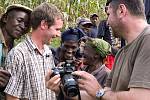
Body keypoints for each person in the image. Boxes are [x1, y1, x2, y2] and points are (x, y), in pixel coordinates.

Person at [72, 0, 150, 100]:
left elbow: (141, 97)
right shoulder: (121, 53)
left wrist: (98, 92)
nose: (107, 22)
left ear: (121, 11)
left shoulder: (147, 40)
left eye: (108, 14)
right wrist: (63, 89)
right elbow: (105, 95)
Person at [4, 3, 63, 100]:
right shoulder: (19, 54)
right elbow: (12, 97)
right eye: (57, 29)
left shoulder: (48, 51)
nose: (58, 34)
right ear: (44, 24)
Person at [0, 4, 32, 99]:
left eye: (26, 24)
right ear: (5, 18)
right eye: (19, 20)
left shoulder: (17, 50)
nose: (23, 27)